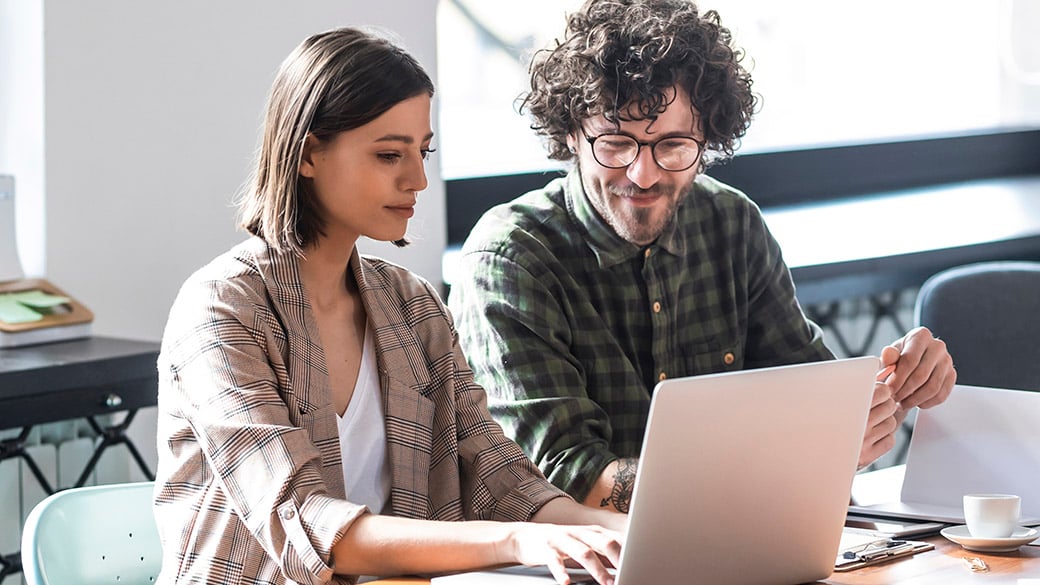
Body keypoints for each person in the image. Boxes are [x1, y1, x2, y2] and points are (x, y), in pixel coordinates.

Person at [153, 27, 625, 585]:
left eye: (422, 152)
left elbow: (505, 483)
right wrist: (523, 539)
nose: (418, 178)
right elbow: (307, 523)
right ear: (307, 154)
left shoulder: (413, 306)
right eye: (388, 154)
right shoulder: (221, 309)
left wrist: (625, 533)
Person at [448, 0, 956, 515]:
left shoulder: (731, 223)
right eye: (616, 144)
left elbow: (811, 402)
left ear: (708, 136)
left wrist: (889, 389)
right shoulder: (510, 259)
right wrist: (777, 459)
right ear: (572, 134)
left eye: (672, 145)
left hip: (745, 541)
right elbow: (570, 477)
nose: (643, 174)